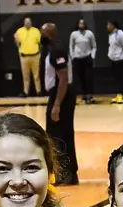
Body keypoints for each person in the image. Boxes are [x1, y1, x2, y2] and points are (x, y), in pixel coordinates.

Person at [41, 22, 78, 185]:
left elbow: (63, 78)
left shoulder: (57, 50)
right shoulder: (51, 50)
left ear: (49, 34)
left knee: (59, 135)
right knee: (58, 134)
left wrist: (56, 105)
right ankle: (67, 174)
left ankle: (66, 174)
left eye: (42, 33)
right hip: (58, 93)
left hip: (61, 94)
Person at [70, 18, 97, 103]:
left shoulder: (89, 34)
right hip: (77, 59)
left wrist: (92, 56)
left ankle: (90, 95)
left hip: (87, 58)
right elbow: (71, 46)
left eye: (83, 24)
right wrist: (73, 56)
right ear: (77, 25)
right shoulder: (74, 34)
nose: (81, 25)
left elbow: (94, 46)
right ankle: (84, 95)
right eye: (80, 24)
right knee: (80, 78)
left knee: (88, 77)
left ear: (85, 25)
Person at [14, 16, 42, 95]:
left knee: (36, 76)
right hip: (24, 57)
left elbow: (40, 43)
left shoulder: (36, 31)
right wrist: (16, 40)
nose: (27, 23)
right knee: (25, 76)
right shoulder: (19, 31)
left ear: (31, 23)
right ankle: (25, 92)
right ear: (24, 23)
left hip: (35, 56)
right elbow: (18, 44)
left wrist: (39, 54)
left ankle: (38, 91)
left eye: (29, 22)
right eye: (26, 22)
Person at [107, 19, 123, 102]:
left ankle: (121, 95)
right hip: (113, 60)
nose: (107, 27)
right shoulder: (111, 35)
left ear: (113, 26)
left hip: (120, 60)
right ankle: (118, 94)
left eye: (109, 25)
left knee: (121, 78)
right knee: (116, 78)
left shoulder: (121, 34)